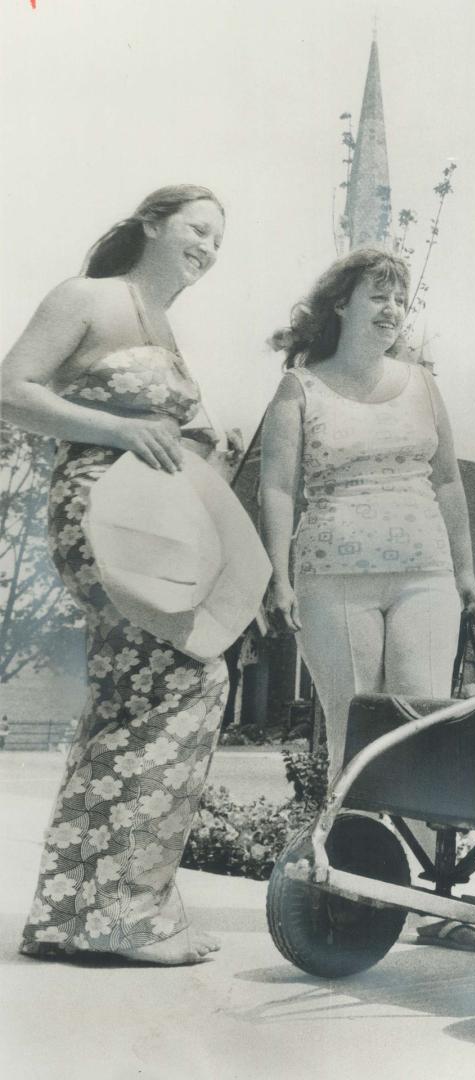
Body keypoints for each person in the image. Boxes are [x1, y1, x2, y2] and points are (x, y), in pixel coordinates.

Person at [2, 185, 229, 965]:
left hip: (155, 522)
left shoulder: (162, 328)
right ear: (152, 224)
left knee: (128, 699)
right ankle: (127, 913)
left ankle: (74, 915)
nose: (208, 248)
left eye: (217, 242)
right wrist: (123, 429)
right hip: (100, 511)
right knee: (190, 679)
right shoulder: (88, 298)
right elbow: (12, 391)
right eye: (198, 230)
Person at [259, 246, 475, 798]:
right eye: (378, 295)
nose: (392, 308)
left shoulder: (424, 385)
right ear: (340, 305)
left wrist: (465, 569)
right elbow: (278, 488)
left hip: (425, 575)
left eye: (399, 299)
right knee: (353, 729)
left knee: (422, 718)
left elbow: (448, 481)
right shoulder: (300, 388)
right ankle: (351, 861)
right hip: (333, 579)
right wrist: (278, 577)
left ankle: (425, 873)